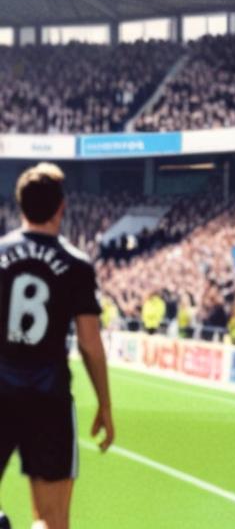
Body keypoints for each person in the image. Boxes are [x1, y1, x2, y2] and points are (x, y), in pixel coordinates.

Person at [0, 164, 115, 529]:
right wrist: (105, 405)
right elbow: (89, 343)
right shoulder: (76, 264)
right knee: (53, 520)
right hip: (48, 398)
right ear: (61, 207)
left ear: (20, 205)